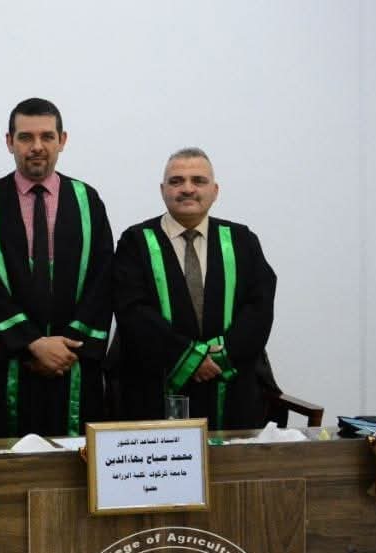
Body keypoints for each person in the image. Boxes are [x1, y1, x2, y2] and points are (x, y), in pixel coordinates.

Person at [0, 99, 113, 438]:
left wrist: (67, 347)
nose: (37, 146)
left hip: (73, 364)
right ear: (9, 142)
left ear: (62, 140)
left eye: (47, 136)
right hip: (8, 366)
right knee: (9, 461)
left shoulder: (87, 200)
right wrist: (31, 343)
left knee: (77, 463)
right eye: (25, 137)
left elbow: (103, 279)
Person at [113, 148, 276, 429]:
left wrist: (221, 356)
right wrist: (189, 358)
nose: (187, 189)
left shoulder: (241, 240)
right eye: (176, 181)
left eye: (198, 181)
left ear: (215, 190)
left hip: (232, 387)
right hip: (155, 387)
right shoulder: (135, 241)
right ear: (163, 190)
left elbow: (259, 307)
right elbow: (133, 311)